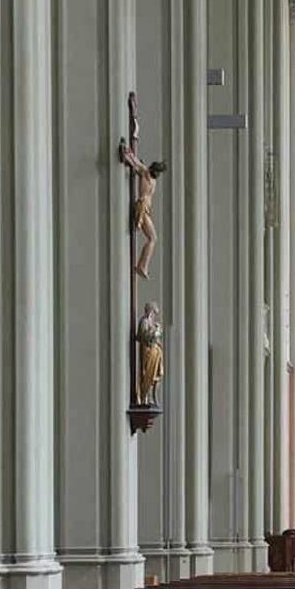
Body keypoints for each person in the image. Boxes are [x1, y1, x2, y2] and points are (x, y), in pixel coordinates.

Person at [118, 142, 168, 279]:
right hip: (142, 207)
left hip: (146, 208)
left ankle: (143, 265)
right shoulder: (146, 173)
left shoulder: (152, 179)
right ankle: (142, 266)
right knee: (152, 238)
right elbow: (134, 163)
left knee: (153, 238)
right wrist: (128, 154)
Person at [137, 303, 163, 406]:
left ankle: (152, 396)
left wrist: (157, 331)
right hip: (148, 352)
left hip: (155, 352)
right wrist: (154, 332)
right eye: (153, 313)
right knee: (147, 374)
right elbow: (143, 336)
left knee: (155, 375)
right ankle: (144, 396)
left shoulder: (152, 322)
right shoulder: (144, 321)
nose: (153, 315)